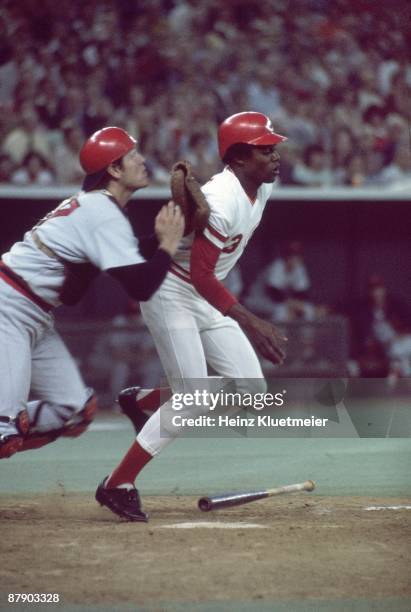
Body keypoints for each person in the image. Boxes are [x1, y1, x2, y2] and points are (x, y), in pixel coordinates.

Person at [95, 112, 288, 522]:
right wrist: (251, 322)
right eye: (264, 149)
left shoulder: (261, 187)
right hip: (172, 292)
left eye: (273, 148)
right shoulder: (221, 201)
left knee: (251, 391)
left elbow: (206, 279)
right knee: (195, 397)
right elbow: (199, 275)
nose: (275, 156)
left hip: (204, 294)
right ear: (236, 159)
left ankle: (140, 400)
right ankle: (117, 483)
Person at [0, 126, 184, 459]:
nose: (142, 160)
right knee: (4, 433)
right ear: (114, 169)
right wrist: (168, 246)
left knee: (72, 410)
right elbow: (141, 286)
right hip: (8, 305)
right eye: (132, 156)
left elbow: (122, 266)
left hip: (32, 310)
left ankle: (14, 425)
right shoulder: (102, 212)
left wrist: (161, 240)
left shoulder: (99, 207)